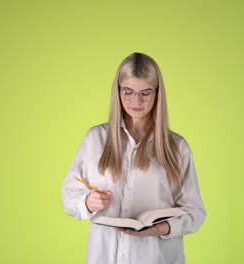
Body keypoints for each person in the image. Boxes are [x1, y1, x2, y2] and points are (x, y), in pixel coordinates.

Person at [61, 52, 206, 264]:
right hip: (104, 256)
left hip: (156, 257)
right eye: (127, 92)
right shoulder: (95, 139)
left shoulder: (177, 147)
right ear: (117, 91)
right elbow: (69, 194)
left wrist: (161, 228)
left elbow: (194, 212)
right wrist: (87, 202)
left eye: (145, 93)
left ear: (157, 93)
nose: (136, 101)